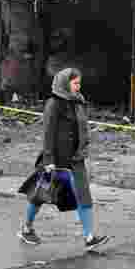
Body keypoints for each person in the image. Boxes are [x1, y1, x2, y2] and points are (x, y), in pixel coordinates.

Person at [18, 67, 110, 251]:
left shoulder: (78, 102)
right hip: (56, 159)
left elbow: (81, 130)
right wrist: (49, 159)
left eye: (79, 83)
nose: (78, 87)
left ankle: (89, 237)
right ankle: (26, 228)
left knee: (84, 195)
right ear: (64, 83)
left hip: (76, 158)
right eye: (75, 83)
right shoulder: (54, 104)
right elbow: (48, 133)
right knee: (40, 195)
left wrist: (83, 150)